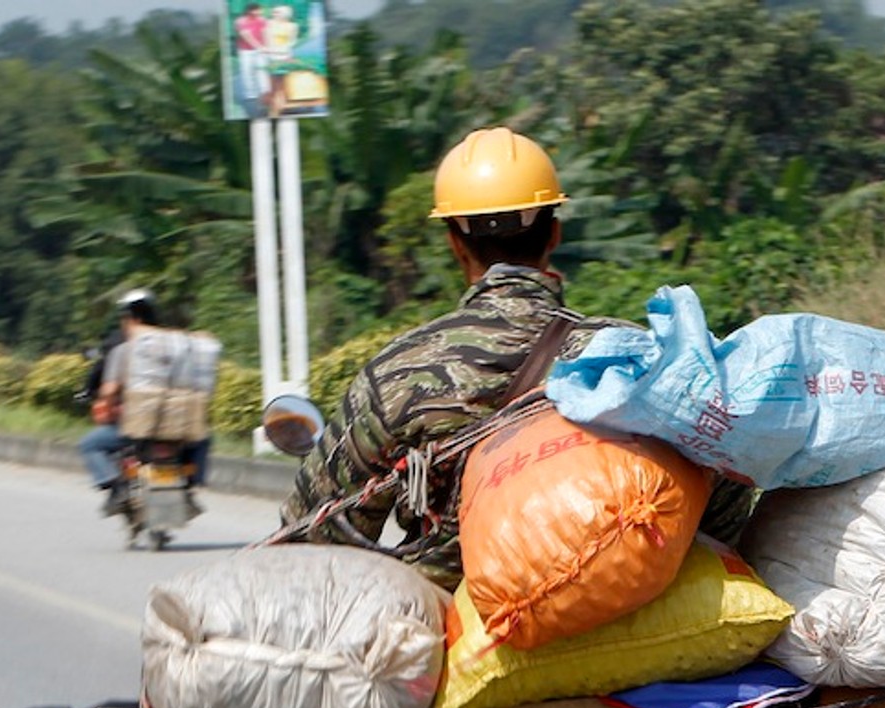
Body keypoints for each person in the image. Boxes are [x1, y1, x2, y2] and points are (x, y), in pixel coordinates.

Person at [278, 125, 754, 586]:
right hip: (633, 617)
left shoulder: (399, 374)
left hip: (458, 634)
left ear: (453, 243)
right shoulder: (636, 357)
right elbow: (726, 489)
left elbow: (314, 537)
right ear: (554, 234)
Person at [79, 290, 211, 516]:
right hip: (179, 426)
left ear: (133, 320)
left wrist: (106, 401)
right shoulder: (176, 347)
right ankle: (189, 487)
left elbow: (110, 390)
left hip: (137, 428)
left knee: (90, 444)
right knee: (204, 438)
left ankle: (117, 488)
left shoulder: (125, 349)